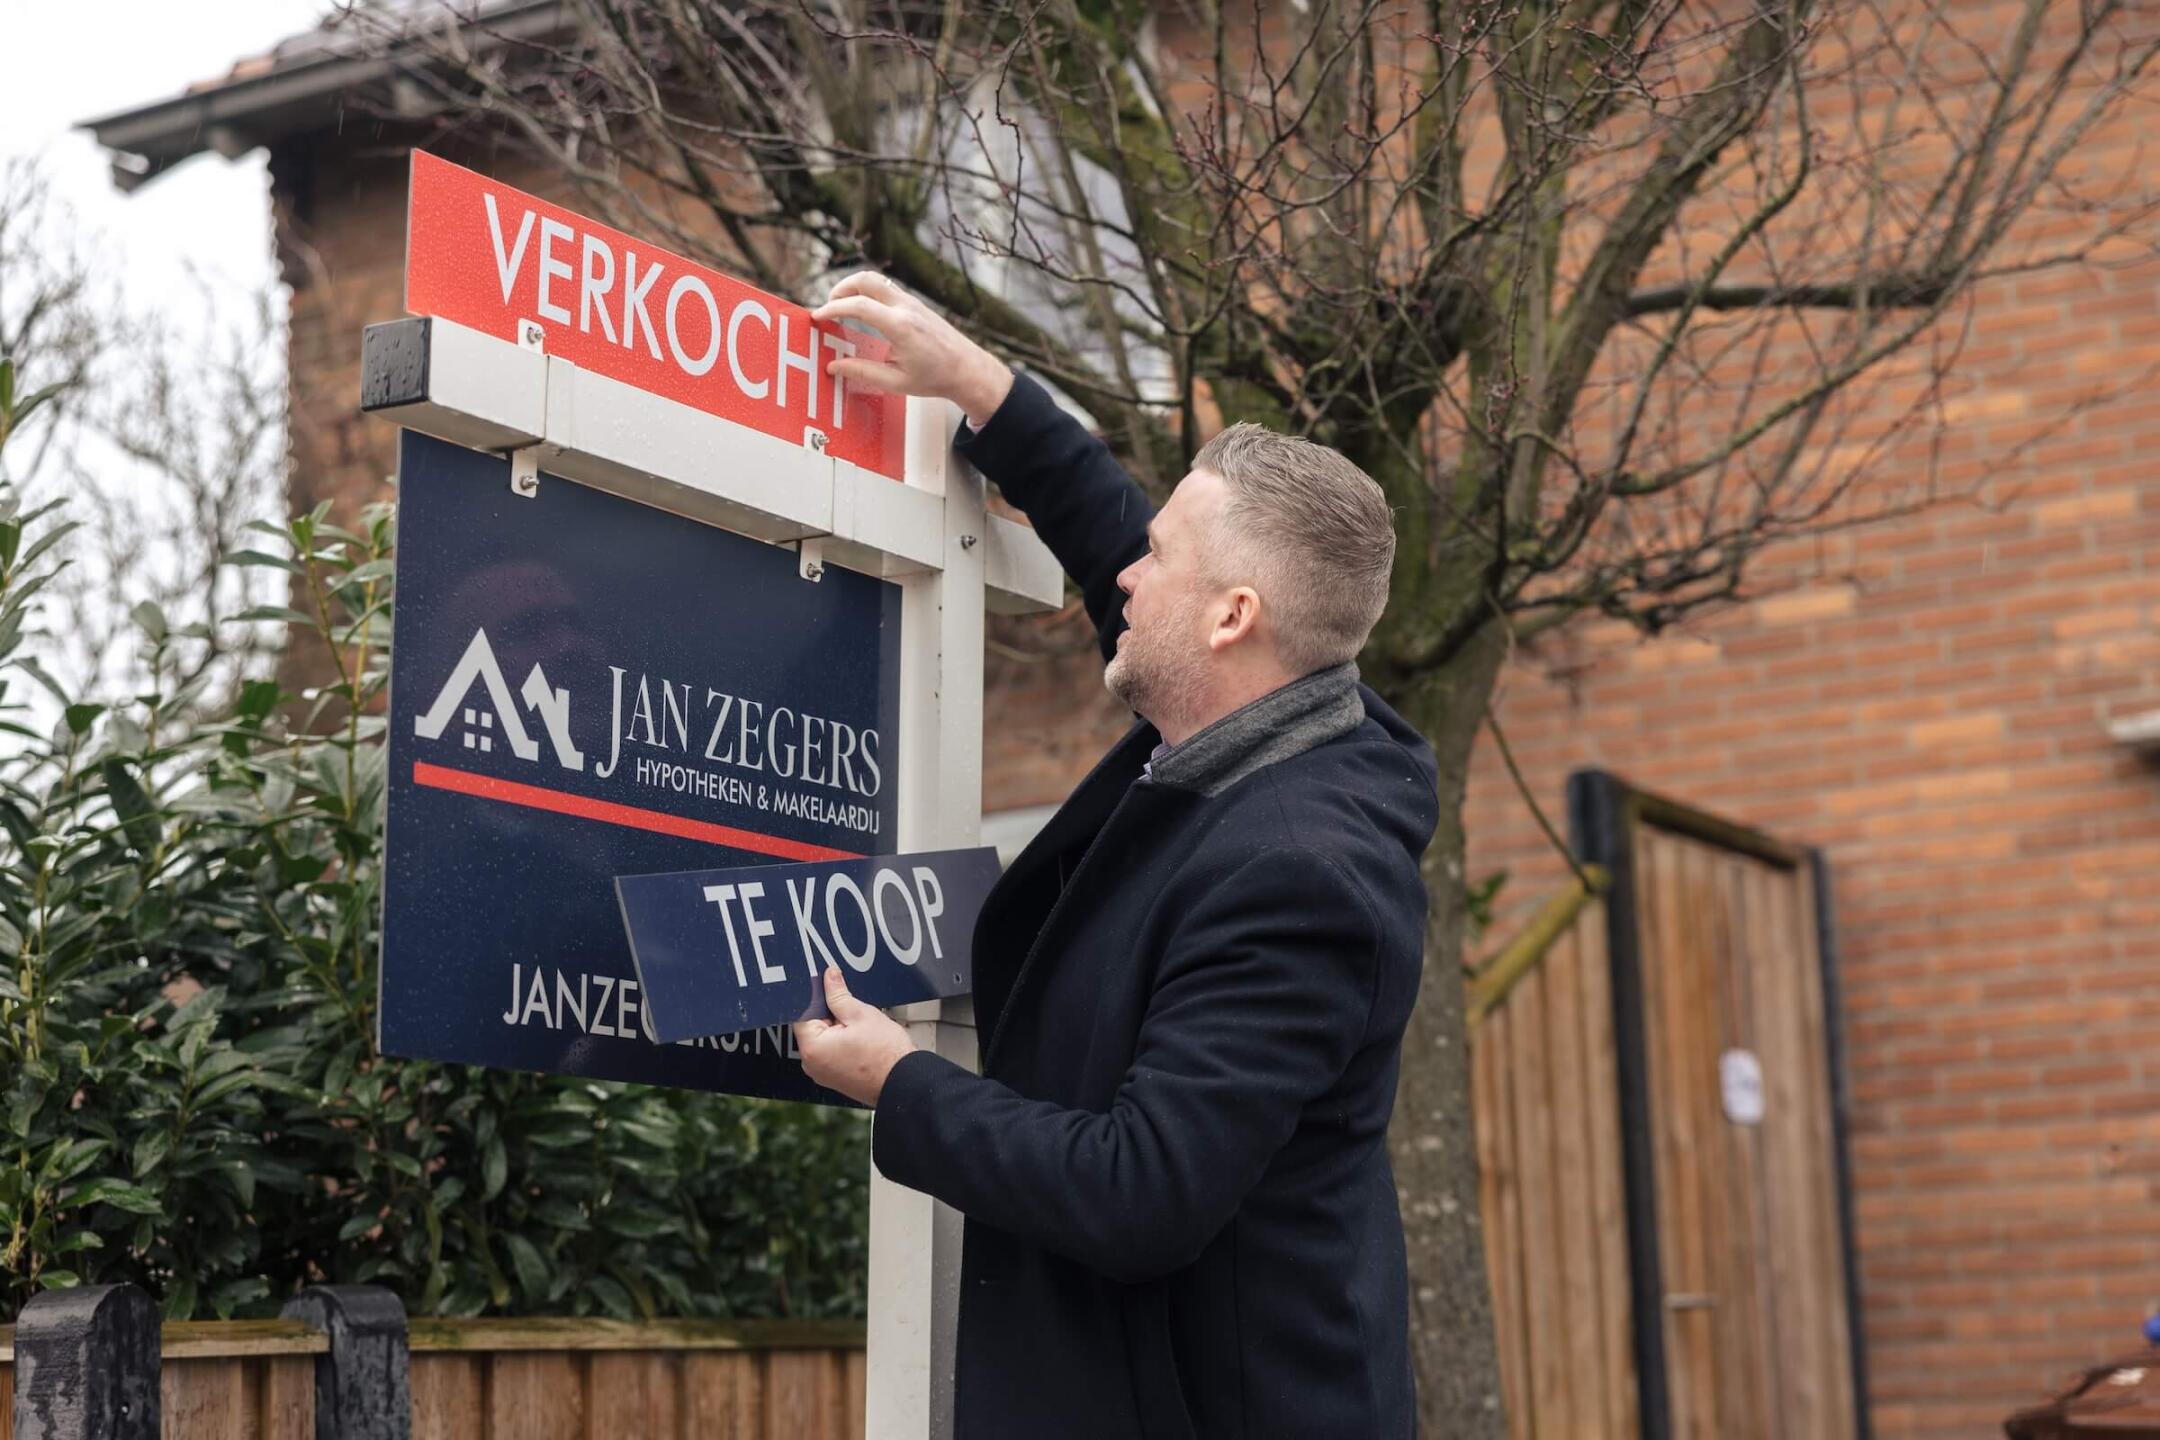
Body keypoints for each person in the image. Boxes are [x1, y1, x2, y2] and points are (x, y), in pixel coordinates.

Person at [792, 272, 1437, 1439]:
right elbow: (1117, 546)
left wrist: (901, 1083)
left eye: (1157, 558)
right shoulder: (1271, 716)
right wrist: (981, 386)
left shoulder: (1302, 877)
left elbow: (1140, 1189)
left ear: (1233, 618)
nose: (1122, 575)